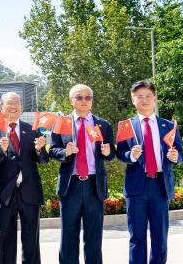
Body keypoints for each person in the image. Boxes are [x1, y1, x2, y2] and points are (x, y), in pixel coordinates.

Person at [116, 80, 183, 264]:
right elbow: (120, 154)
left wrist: (175, 156)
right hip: (136, 188)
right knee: (137, 238)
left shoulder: (168, 126)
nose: (144, 100)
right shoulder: (125, 126)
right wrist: (131, 155)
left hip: (160, 187)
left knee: (160, 238)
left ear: (154, 98)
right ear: (133, 100)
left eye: (148, 96)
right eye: (139, 97)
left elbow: (181, 154)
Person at [49, 84, 115, 264]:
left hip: (95, 185)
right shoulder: (62, 123)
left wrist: (109, 152)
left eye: (88, 97)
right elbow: (53, 150)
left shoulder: (103, 125)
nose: (84, 100)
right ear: (71, 100)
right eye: (79, 97)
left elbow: (111, 154)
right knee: (69, 234)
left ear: (92, 101)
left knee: (94, 236)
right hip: (71, 186)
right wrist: (65, 152)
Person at [0, 91, 49, 264]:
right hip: (6, 194)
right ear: (1, 107)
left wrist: (40, 149)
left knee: (31, 241)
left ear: (21, 107)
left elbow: (43, 161)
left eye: (17, 103)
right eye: (9, 103)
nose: (13, 107)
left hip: (30, 192)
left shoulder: (32, 130)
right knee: (5, 240)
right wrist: (1, 150)